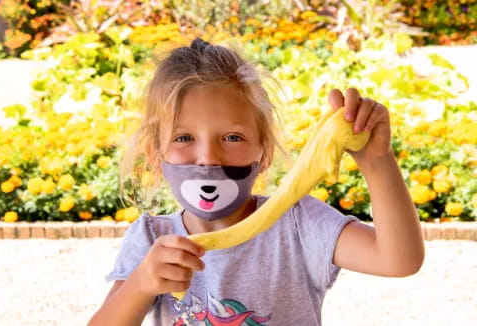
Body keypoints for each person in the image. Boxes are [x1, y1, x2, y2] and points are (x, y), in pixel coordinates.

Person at [88, 38, 425, 326]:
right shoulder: (152, 238)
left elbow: (398, 260)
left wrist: (376, 161)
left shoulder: (297, 224)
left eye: (232, 137)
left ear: (262, 153)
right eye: (184, 137)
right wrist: (141, 283)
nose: (209, 158)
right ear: (154, 154)